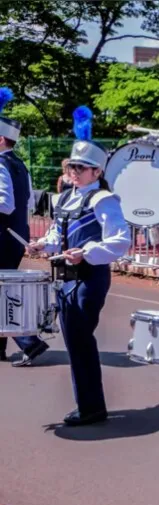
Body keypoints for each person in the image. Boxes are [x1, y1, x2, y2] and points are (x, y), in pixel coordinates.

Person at [28, 106, 131, 426]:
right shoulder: (67, 198)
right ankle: (88, 403)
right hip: (65, 276)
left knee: (80, 338)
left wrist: (86, 252)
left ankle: (91, 406)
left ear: (96, 172)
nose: (74, 171)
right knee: (74, 339)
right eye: (72, 166)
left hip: (89, 277)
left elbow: (120, 241)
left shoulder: (103, 201)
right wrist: (43, 244)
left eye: (82, 168)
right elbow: (58, 233)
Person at [0, 87, 49, 366]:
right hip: (16, 235)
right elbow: (28, 201)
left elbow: (5, 204)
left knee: (3, 291)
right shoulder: (20, 164)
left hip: (3, 235)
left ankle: (30, 342)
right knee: (3, 290)